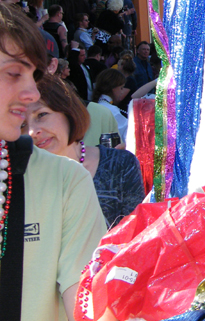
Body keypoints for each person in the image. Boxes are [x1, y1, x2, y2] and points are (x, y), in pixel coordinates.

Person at [0, 2, 107, 321]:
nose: (31, 93)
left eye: (33, 75)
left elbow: (90, 308)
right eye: (14, 73)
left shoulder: (65, 181)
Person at [28, 74, 143, 229]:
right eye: (22, 125)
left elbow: (135, 237)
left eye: (41, 115)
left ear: (67, 111)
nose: (32, 131)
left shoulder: (119, 165)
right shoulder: (19, 178)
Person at [91, 68, 130, 141]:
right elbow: (127, 135)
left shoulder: (95, 105)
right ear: (114, 88)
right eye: (121, 88)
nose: (122, 91)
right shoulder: (113, 111)